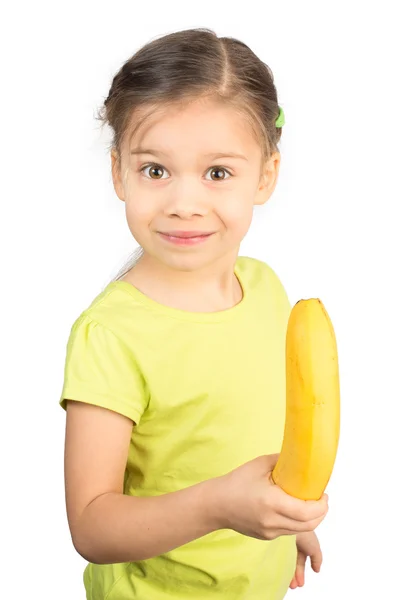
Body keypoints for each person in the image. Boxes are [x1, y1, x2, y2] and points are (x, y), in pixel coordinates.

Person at [59, 27, 329, 600]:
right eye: (155, 170)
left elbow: (257, 432)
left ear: (265, 175)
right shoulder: (110, 335)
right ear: (119, 173)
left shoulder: (266, 288)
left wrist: (286, 524)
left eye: (217, 173)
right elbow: (91, 524)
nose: (184, 204)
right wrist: (218, 506)